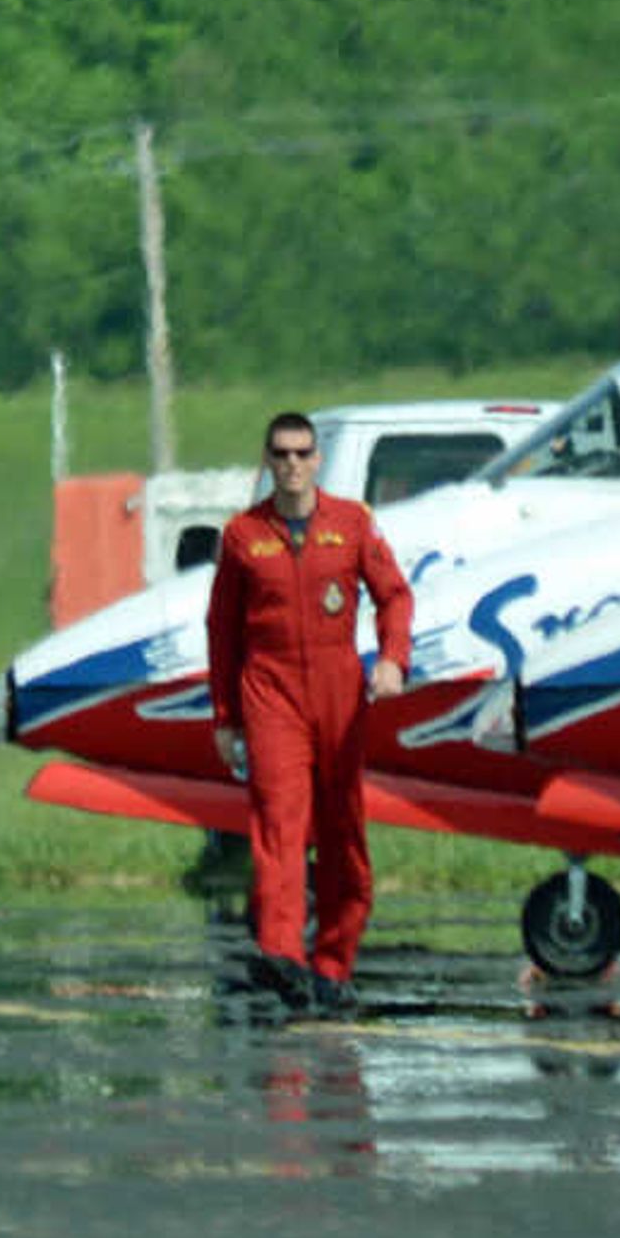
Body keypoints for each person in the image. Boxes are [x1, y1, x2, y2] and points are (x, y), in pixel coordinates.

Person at [205, 411, 412, 1011]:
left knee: (344, 832)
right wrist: (225, 716)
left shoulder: (351, 524)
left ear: (317, 460)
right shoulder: (243, 535)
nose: (292, 464)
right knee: (279, 826)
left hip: (339, 692)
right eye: (280, 454)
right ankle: (281, 956)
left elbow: (394, 595)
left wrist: (394, 658)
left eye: (302, 453)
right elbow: (222, 630)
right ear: (267, 461)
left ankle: (333, 961)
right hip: (271, 695)